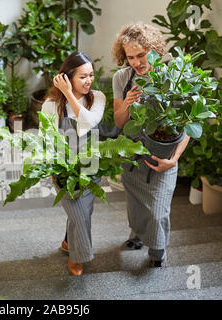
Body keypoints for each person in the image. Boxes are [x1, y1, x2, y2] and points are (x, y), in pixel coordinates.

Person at [111, 23, 190, 267]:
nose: (136, 62)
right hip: (133, 155)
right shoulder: (122, 78)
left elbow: (187, 127)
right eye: (130, 57)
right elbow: (120, 122)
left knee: (158, 209)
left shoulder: (171, 78)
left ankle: (157, 251)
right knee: (135, 203)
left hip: (163, 157)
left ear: (154, 50)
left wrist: (173, 160)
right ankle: (136, 235)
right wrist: (126, 103)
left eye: (141, 55)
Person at [41, 52, 106, 275]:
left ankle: (69, 244)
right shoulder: (51, 105)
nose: (89, 81)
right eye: (83, 76)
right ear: (67, 77)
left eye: (91, 75)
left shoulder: (97, 97)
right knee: (79, 214)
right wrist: (52, 167)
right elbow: (47, 138)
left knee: (83, 212)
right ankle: (77, 257)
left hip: (90, 165)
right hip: (64, 171)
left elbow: (88, 123)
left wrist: (68, 93)